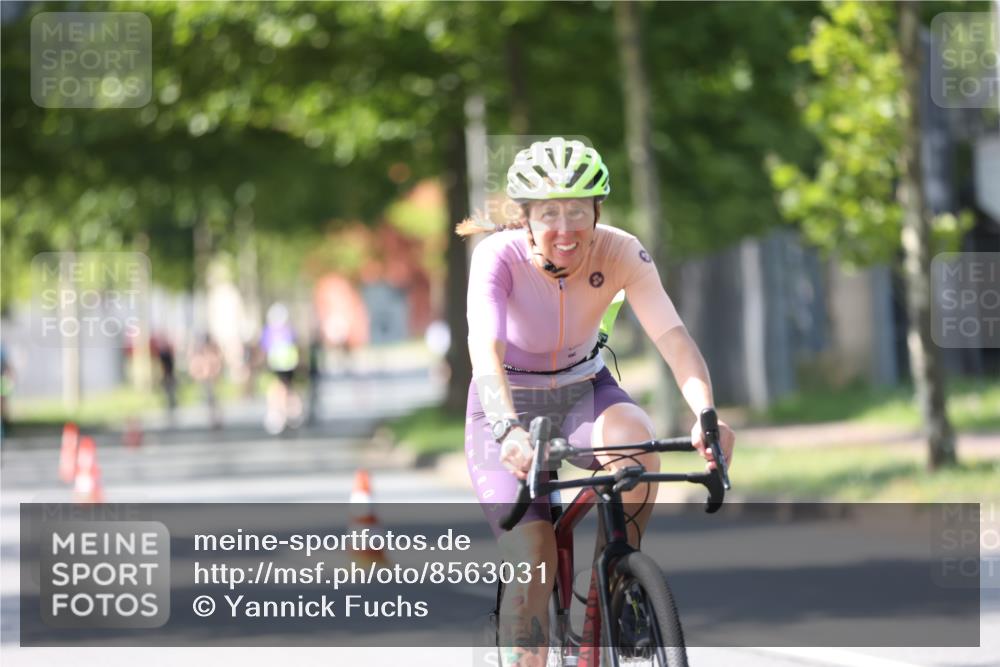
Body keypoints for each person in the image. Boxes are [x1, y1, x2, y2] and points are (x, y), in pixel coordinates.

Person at [458, 137, 736, 667]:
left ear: (597, 210)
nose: (566, 229)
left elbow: (674, 338)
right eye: (550, 213)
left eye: (578, 211)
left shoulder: (621, 251)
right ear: (526, 217)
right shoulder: (498, 258)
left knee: (637, 445)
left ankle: (609, 580)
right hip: (506, 404)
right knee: (534, 558)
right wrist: (506, 431)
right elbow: (485, 351)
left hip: (585, 390)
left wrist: (705, 414)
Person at [260, 303, 303, 434]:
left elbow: (264, 349)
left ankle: (283, 413)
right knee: (287, 388)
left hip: (279, 365)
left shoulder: (270, 331)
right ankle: (292, 412)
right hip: (288, 365)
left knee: (278, 388)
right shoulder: (288, 330)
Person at [188, 334, 224, 429]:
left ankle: (217, 419)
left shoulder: (213, 353)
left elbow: (217, 365)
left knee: (214, 401)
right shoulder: (202, 353)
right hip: (206, 379)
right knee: (210, 401)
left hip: (212, 379)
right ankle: (213, 419)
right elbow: (196, 366)